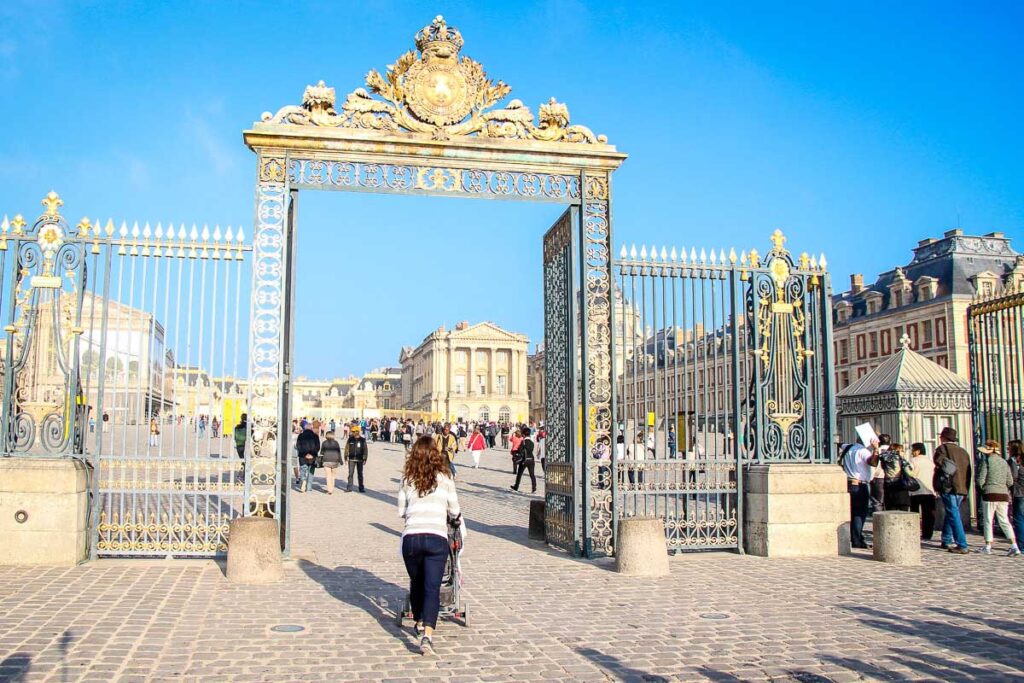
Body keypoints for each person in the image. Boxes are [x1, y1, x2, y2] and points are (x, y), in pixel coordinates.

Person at [398, 436, 461, 657]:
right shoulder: (445, 479)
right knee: (431, 588)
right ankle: (427, 635)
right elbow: (455, 511)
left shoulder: (408, 479)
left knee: (417, 582)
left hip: (412, 539)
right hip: (436, 538)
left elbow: (400, 511)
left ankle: (418, 620)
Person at [976, 440, 1020, 556]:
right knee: (1004, 520)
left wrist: (982, 489)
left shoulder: (987, 461)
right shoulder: (1004, 462)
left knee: (988, 520)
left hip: (990, 493)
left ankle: (988, 545)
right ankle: (1014, 545)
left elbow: (981, 480)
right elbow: (1010, 481)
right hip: (1003, 494)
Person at [934, 426, 972, 554]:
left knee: (953, 514)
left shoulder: (942, 449)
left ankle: (962, 544)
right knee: (951, 513)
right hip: (962, 487)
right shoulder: (963, 452)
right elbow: (969, 472)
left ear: (943, 438)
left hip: (949, 486)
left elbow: (939, 463)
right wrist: (966, 488)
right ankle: (946, 539)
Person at [839, 437, 880, 549]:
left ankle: (853, 536)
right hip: (859, 484)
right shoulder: (863, 451)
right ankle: (857, 539)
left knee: (852, 511)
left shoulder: (848, 447)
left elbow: (840, 444)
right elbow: (872, 462)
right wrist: (876, 450)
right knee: (859, 513)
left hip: (848, 482)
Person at [908, 442, 937, 540]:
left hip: (915, 490)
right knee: (928, 514)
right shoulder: (930, 461)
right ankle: (928, 533)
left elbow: (909, 473)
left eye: (913, 450)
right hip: (929, 490)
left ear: (918, 451)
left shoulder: (913, 461)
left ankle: (914, 531)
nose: (912, 452)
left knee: (914, 513)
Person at [879, 443, 913, 512]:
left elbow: (883, 467)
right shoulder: (899, 459)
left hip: (888, 484)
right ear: (898, 450)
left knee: (890, 510)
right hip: (900, 485)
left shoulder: (885, 458)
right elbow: (909, 471)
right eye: (902, 450)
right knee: (903, 510)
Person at [510, 426, 537, 493]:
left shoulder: (523, 442)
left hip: (524, 460)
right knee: (532, 474)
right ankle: (534, 488)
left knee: (519, 473)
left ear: (524, 434)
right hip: (531, 459)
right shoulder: (531, 442)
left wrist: (515, 453)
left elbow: (520, 451)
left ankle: (516, 486)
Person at [295, 425, 320, 493]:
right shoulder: (315, 436)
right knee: (311, 472)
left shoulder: (300, 435)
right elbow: (317, 447)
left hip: (302, 456)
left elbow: (298, 446)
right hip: (313, 457)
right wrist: (312, 454)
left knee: (303, 470)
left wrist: (305, 454)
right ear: (311, 428)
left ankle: (303, 481)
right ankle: (309, 487)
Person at [345, 425, 369, 493]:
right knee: (350, 474)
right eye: (352, 431)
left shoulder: (362, 440)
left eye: (353, 431)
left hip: (360, 459)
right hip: (351, 459)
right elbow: (347, 448)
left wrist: (365, 458)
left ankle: (361, 487)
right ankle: (349, 487)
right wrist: (346, 457)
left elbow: (365, 450)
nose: (352, 432)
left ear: (357, 432)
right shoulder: (350, 439)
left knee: (360, 474)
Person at [1010, 440, 1024, 546]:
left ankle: (1022, 544)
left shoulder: (1014, 461)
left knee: (1018, 518)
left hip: (1019, 492)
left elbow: (1013, 477)